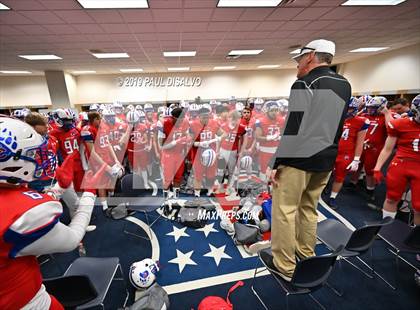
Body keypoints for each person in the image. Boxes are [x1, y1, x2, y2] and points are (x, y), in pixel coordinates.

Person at [267, 39, 351, 281]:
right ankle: (307, 253)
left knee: (284, 211)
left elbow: (294, 127)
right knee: (309, 208)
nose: (297, 65)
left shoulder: (304, 82)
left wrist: (277, 162)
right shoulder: (345, 84)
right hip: (326, 159)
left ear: (311, 56)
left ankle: (285, 265)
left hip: (299, 160)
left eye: (300, 59)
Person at [0, 116, 96, 309]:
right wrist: (89, 195)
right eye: (33, 154)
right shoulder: (23, 214)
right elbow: (71, 239)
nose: (39, 158)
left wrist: (59, 188)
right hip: (23, 301)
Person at [373, 94, 420, 224]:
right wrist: (377, 168)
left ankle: (415, 237)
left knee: (419, 206)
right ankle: (385, 227)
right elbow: (387, 149)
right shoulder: (399, 124)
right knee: (392, 198)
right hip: (401, 164)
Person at [328, 97, 369, 209]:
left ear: (355, 109)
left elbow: (360, 142)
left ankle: (332, 197)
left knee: (340, 177)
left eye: (349, 108)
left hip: (345, 154)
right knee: (323, 173)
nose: (346, 111)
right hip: (331, 151)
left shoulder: (361, 122)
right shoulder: (334, 118)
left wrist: (356, 159)